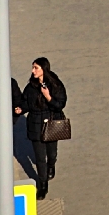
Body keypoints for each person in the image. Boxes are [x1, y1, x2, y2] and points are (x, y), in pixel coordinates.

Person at [20, 57, 69, 196]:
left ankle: (51, 164)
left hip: (52, 122)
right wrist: (20, 109)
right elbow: (26, 103)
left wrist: (48, 97)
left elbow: (60, 104)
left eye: (36, 68)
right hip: (35, 124)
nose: (32, 70)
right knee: (40, 157)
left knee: (51, 152)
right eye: (33, 67)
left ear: (44, 69)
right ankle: (42, 185)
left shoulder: (55, 84)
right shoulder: (30, 87)